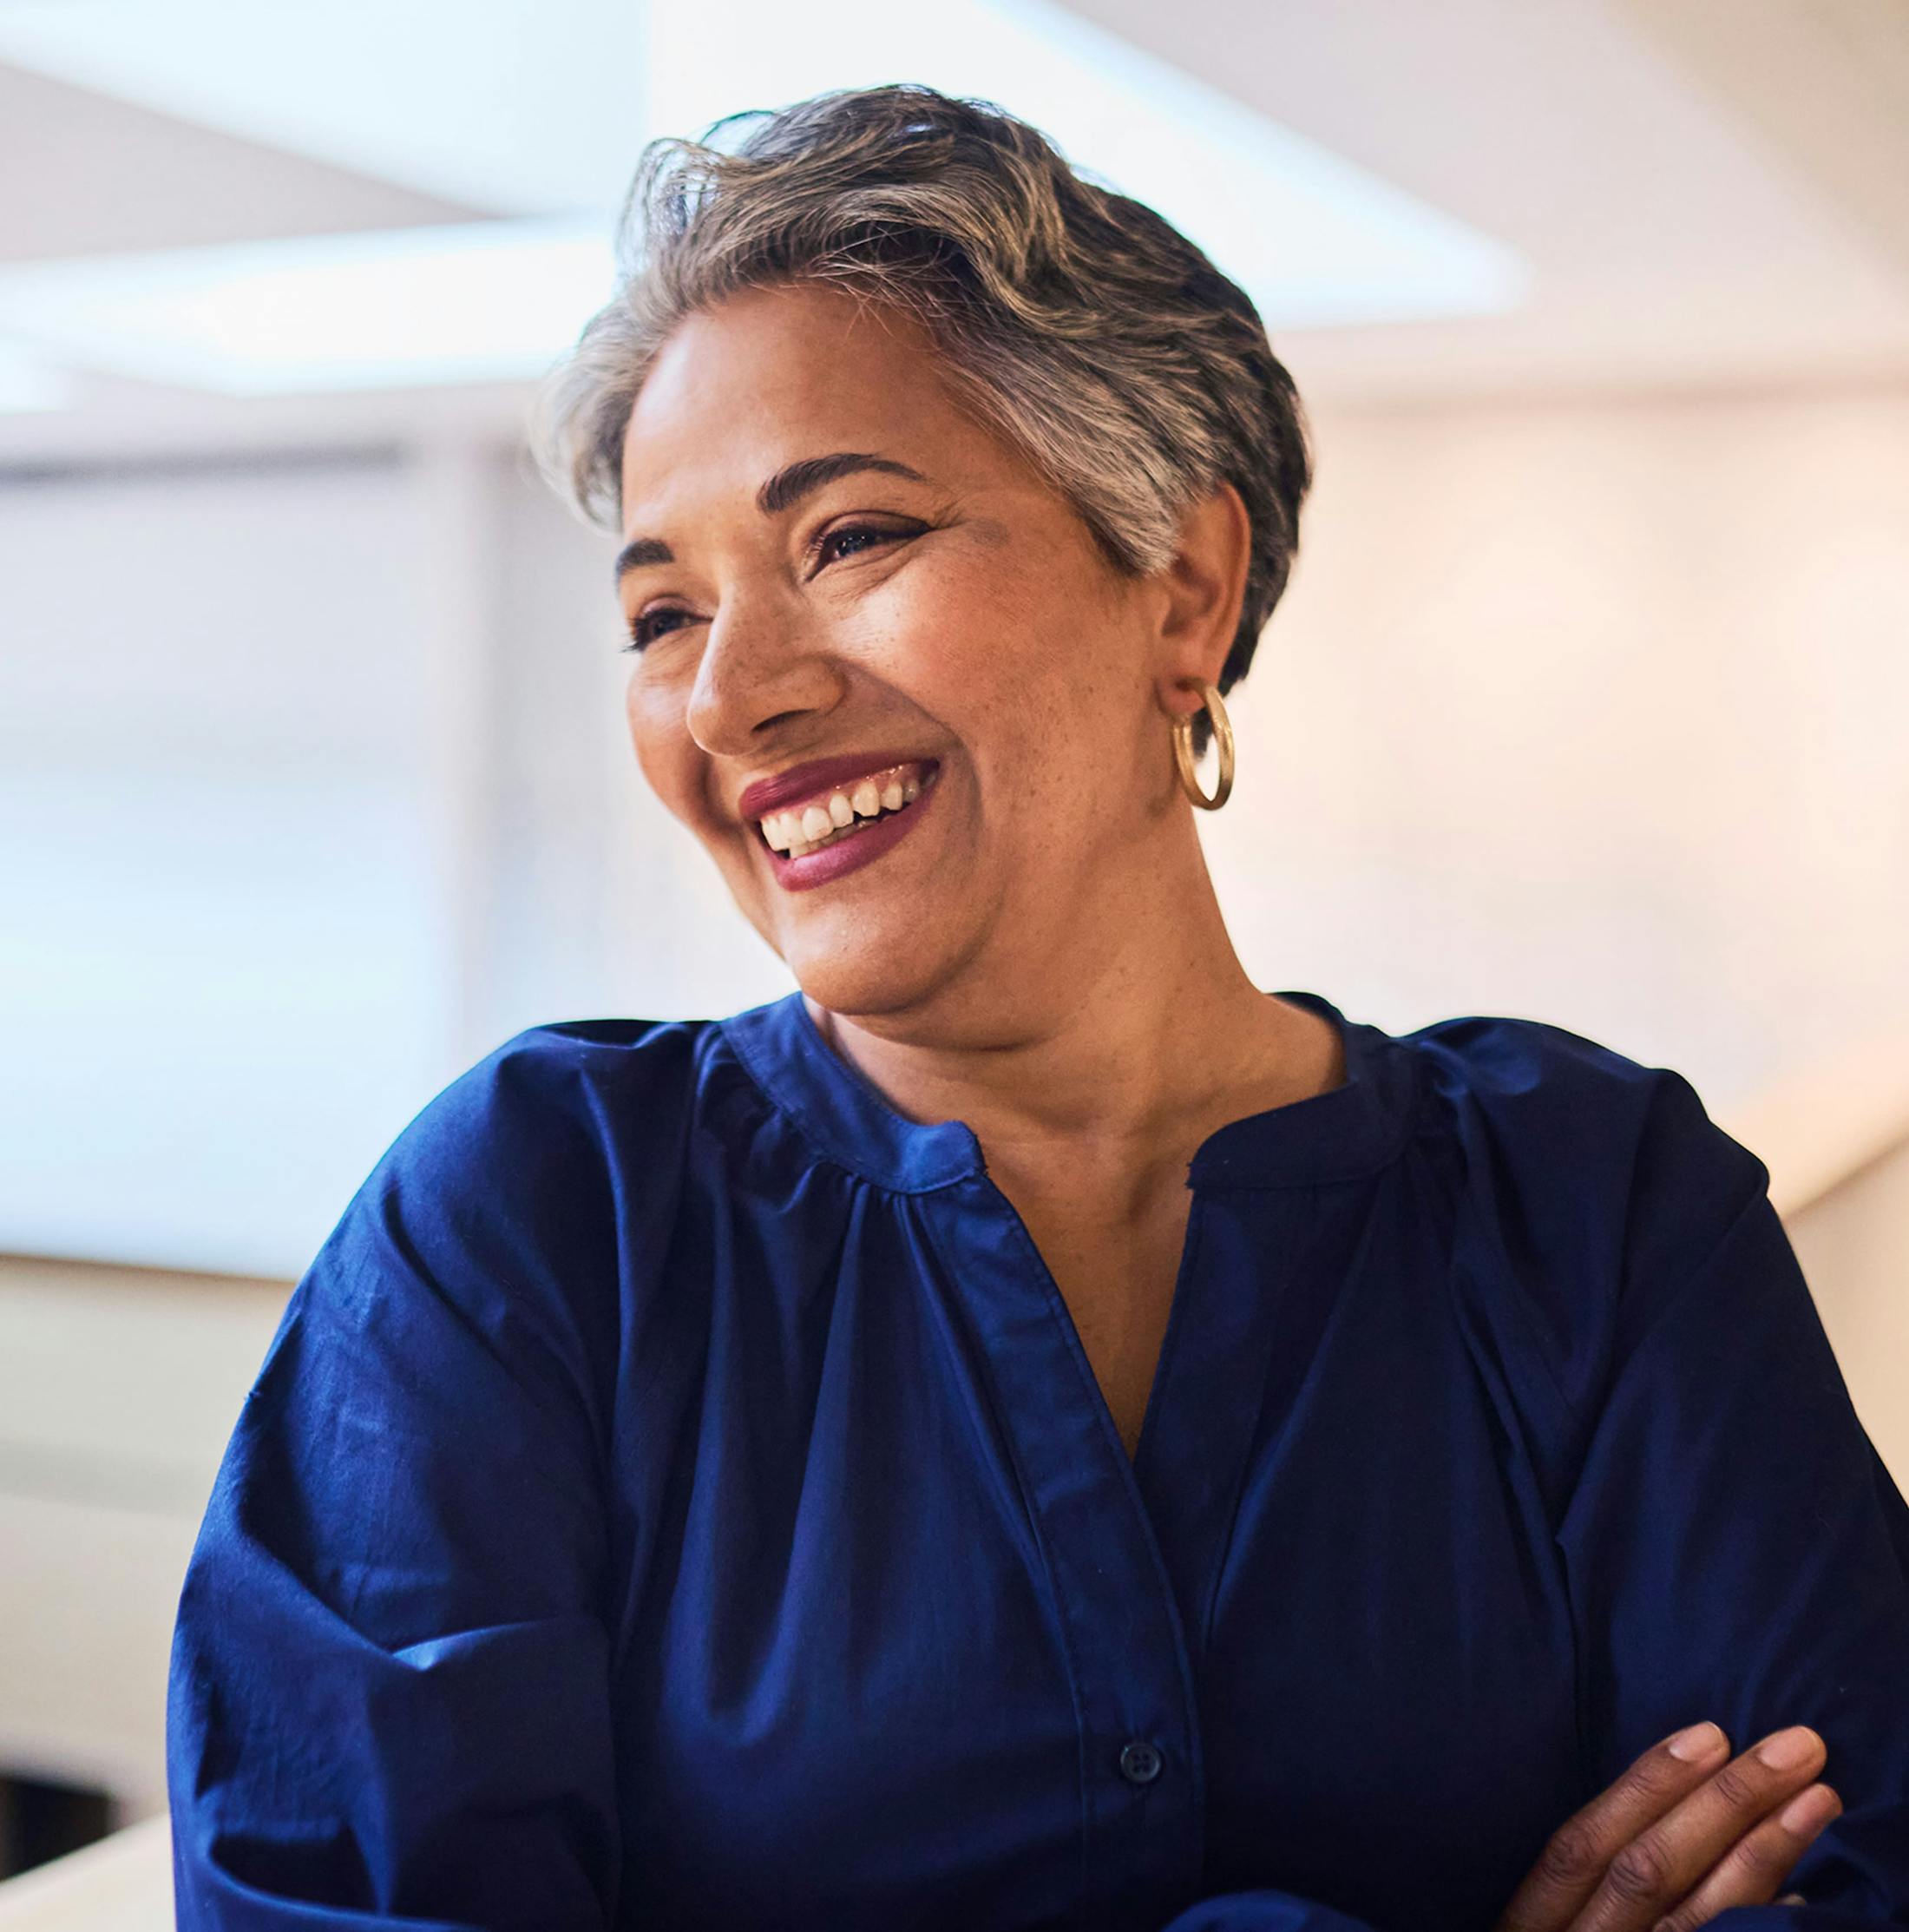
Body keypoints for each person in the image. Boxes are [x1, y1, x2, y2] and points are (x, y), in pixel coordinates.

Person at [165, 83, 1909, 1932]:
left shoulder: (1598, 1210)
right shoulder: (531, 1220)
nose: (730, 698)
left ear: (1183, 588)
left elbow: (1854, 1864)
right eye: (662, 616)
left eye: (849, 538)